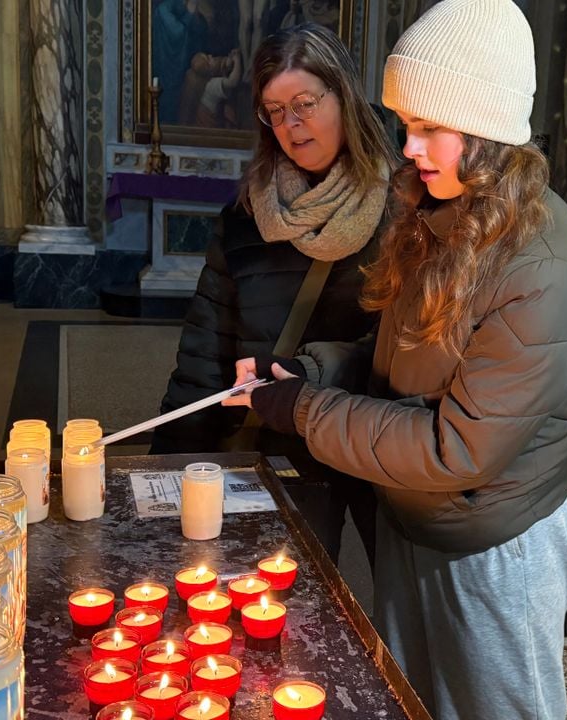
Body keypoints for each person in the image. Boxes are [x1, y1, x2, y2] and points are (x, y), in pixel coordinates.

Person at [225, 1, 567, 718]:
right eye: (407, 124)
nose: (409, 146)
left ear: (487, 130)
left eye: (430, 128)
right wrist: (314, 372)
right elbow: (404, 358)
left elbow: (457, 448)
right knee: (416, 702)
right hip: (411, 517)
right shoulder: (443, 212)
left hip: (490, 545)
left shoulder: (542, 266)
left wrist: (306, 411)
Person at [150, 23, 395, 568]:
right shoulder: (248, 215)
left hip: (375, 440)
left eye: (305, 103)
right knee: (285, 596)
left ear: (345, 96)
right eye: (275, 110)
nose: (291, 125)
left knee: (404, 602)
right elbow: (205, 353)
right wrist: (169, 465)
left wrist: (309, 373)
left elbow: (410, 349)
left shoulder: (402, 210)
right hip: (280, 447)